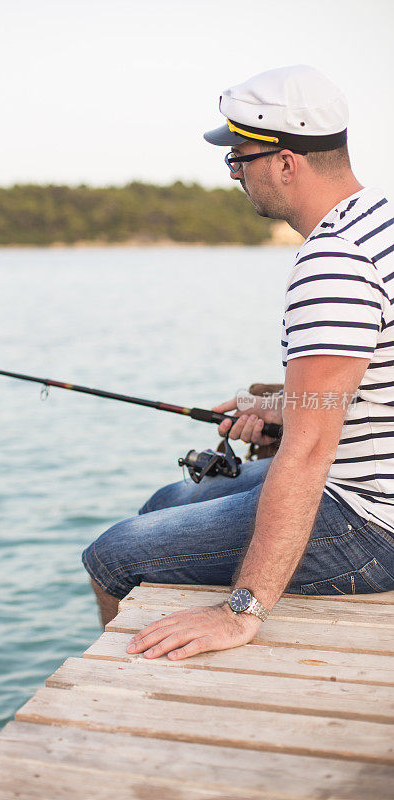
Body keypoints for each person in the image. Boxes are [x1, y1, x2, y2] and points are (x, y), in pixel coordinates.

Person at [81, 64, 394, 660]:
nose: (234, 174)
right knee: (164, 504)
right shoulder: (379, 221)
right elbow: (362, 382)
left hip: (371, 521)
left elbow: (307, 450)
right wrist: (275, 407)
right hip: (375, 486)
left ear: (284, 162)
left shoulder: (333, 261)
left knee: (110, 556)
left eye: (239, 159)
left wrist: (241, 609)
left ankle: (138, 695)